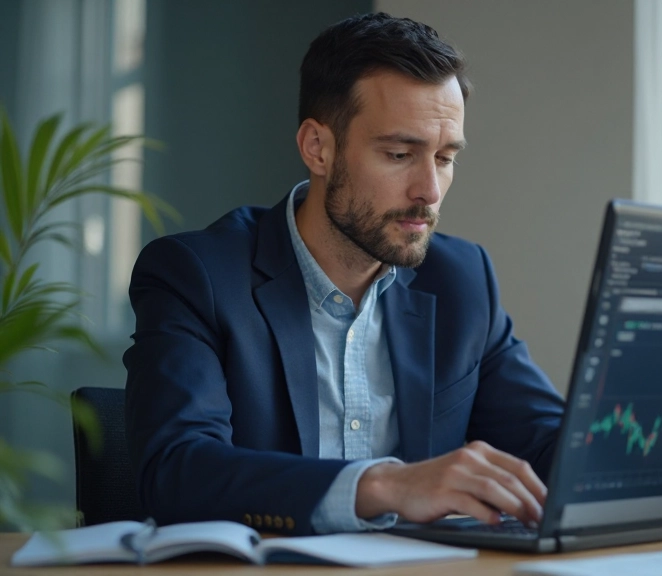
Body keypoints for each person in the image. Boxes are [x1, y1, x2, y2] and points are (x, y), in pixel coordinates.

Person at [123, 12, 564, 536]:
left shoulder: (462, 280)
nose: (430, 189)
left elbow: (551, 446)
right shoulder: (198, 276)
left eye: (445, 158)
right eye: (400, 154)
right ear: (318, 148)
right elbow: (177, 471)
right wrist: (387, 487)